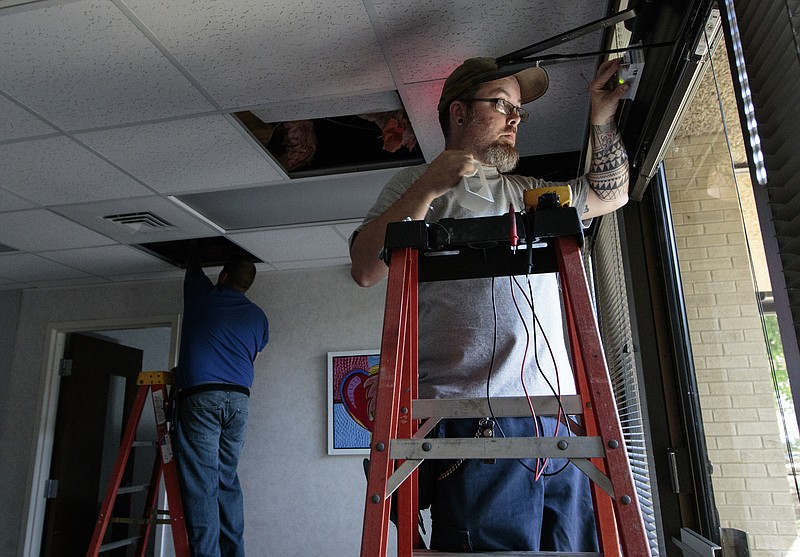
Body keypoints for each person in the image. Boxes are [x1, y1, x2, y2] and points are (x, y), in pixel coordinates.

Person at [350, 56, 630, 552]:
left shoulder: (527, 193)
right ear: (458, 113)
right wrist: (430, 185)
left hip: (557, 417)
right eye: (502, 105)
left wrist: (603, 116)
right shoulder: (413, 188)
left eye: (518, 109)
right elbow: (367, 269)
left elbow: (611, 195)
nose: (516, 119)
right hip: (470, 417)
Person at [174, 248, 269, 557]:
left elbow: (193, 266)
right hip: (239, 402)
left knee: (202, 483)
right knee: (226, 478)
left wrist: (195, 255)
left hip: (203, 397)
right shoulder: (258, 316)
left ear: (223, 275)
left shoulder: (203, 297)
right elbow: (258, 347)